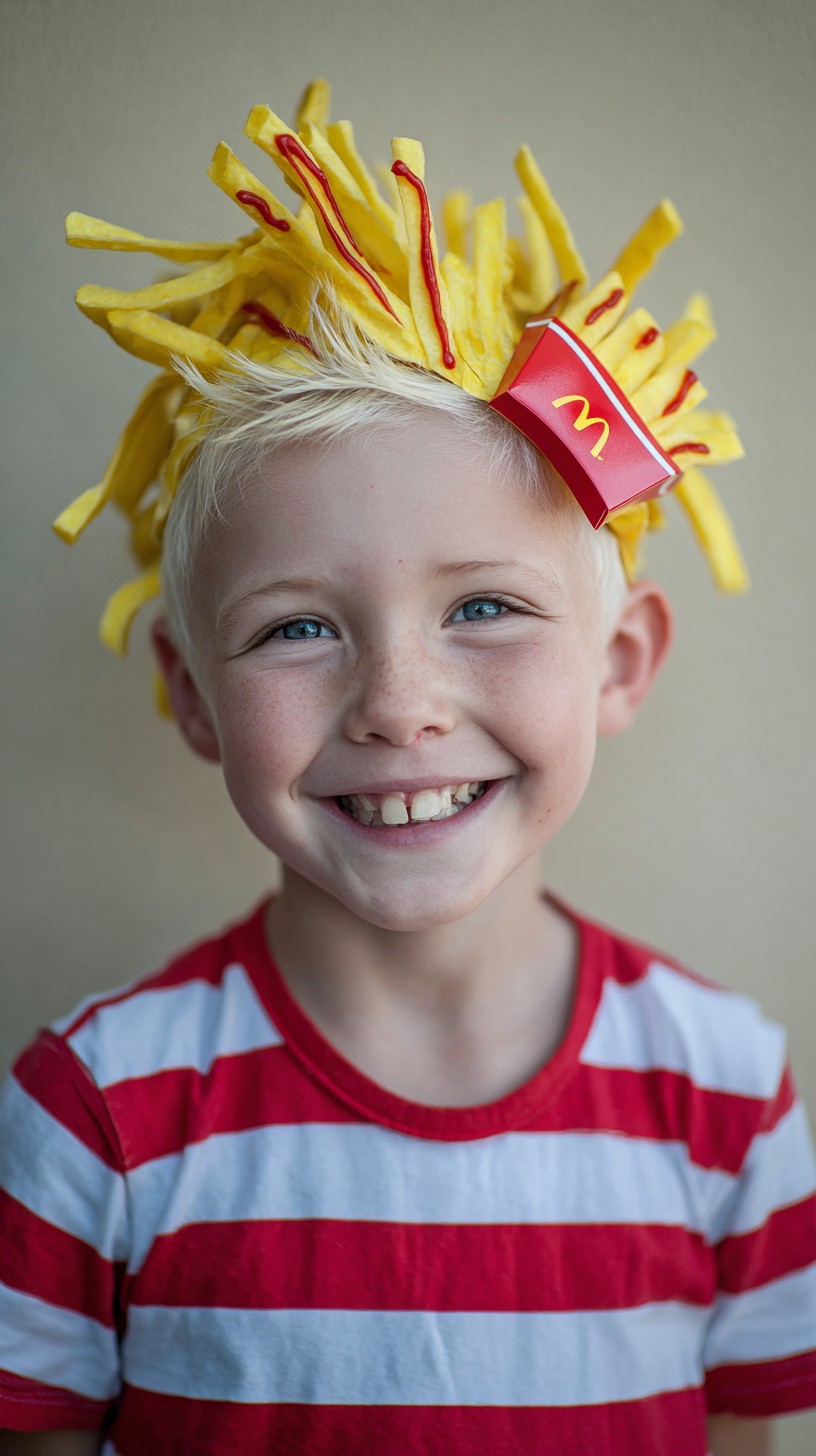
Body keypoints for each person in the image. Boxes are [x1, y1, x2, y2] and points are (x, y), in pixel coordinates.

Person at [1, 79, 814, 1456]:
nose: (399, 706)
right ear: (193, 700)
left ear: (620, 661)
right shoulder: (95, 1117)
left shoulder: (729, 1089)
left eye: (485, 607)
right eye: (299, 628)